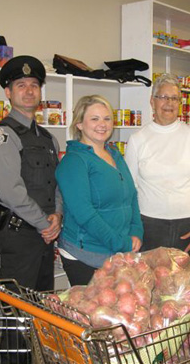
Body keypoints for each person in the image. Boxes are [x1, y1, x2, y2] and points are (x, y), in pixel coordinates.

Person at [0, 55, 63, 312]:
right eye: (20, 85)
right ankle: (11, 355)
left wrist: (57, 216)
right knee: (13, 315)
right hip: (14, 240)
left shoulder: (49, 139)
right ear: (8, 92)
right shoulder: (3, 135)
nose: (29, 91)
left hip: (42, 238)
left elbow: (57, 183)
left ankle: (34, 355)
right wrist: (45, 224)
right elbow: (10, 191)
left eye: (34, 85)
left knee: (41, 311)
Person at [124, 73, 190, 268]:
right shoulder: (138, 139)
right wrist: (133, 227)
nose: (169, 103)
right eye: (163, 97)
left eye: (174, 98)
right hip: (149, 225)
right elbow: (130, 188)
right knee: (153, 285)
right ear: (152, 101)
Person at [55, 95, 143, 286]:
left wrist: (136, 231)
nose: (102, 124)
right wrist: (121, 243)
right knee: (93, 314)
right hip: (86, 254)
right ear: (79, 124)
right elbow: (84, 214)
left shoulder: (114, 155)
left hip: (117, 251)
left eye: (107, 118)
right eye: (94, 119)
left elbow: (131, 197)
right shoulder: (74, 161)